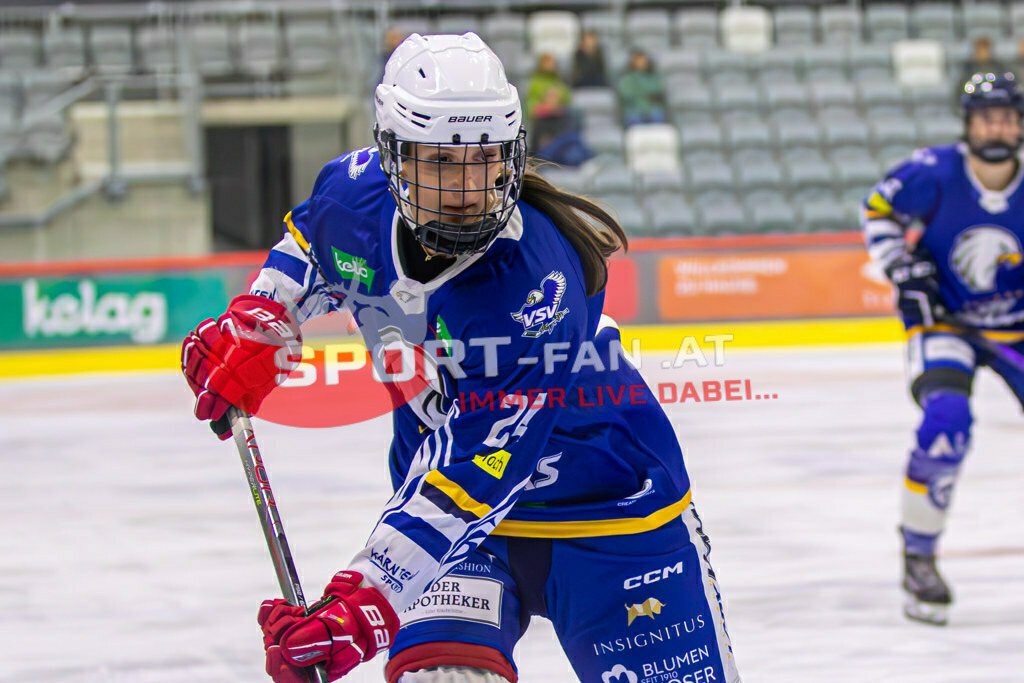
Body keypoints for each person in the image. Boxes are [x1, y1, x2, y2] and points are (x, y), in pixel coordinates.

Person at [182, 32, 741, 683]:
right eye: (441, 163)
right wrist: (263, 320)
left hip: (609, 512)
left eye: (484, 161)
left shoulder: (532, 283)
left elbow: (479, 472)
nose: (468, 186)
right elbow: (311, 245)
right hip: (458, 535)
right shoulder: (351, 194)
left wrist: (364, 604)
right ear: (392, 156)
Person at [861, 71, 1024, 626]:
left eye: (1006, 116)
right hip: (946, 323)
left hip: (1018, 328)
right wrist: (902, 267)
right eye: (986, 116)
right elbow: (877, 209)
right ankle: (920, 556)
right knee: (947, 418)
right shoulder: (932, 172)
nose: (996, 126)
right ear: (968, 123)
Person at [616, 50, 667, 128]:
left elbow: (658, 90)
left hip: (651, 108)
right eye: (638, 61)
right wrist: (645, 92)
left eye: (643, 60)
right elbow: (627, 95)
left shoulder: (654, 76)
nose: (641, 63)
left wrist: (639, 89)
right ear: (633, 62)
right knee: (635, 119)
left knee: (658, 116)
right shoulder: (626, 78)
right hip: (633, 109)